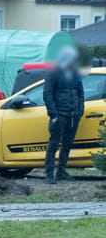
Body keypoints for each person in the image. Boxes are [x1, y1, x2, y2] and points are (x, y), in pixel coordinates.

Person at [43, 46, 85, 184]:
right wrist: (53, 115)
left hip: (73, 116)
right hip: (59, 115)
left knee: (67, 145)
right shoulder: (53, 73)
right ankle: (49, 174)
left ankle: (61, 172)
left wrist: (79, 111)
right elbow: (47, 94)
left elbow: (80, 93)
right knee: (53, 145)